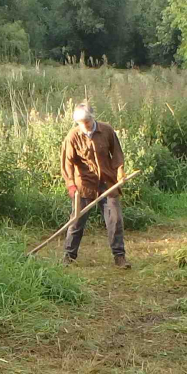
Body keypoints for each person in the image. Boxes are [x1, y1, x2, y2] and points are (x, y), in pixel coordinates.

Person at [59, 101, 127, 266]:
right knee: (76, 221)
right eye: (80, 124)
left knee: (115, 219)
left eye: (87, 123)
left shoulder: (107, 130)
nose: (84, 126)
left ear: (93, 118)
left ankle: (119, 257)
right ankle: (69, 257)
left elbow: (117, 154)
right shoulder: (73, 136)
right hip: (84, 184)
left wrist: (120, 172)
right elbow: (67, 163)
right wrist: (71, 185)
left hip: (107, 182)